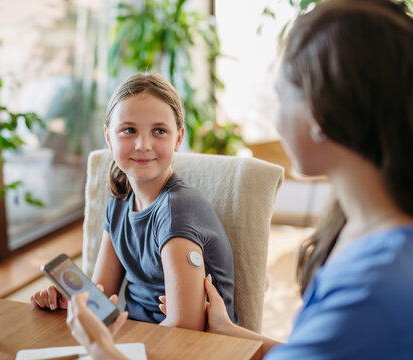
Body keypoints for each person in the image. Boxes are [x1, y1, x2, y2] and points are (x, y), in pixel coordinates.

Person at [64, 0, 413, 358]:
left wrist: (103, 351)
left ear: (325, 109)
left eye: (283, 96)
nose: (276, 121)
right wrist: (228, 331)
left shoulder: (376, 282)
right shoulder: (359, 232)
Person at [31, 72, 236, 330]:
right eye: (129, 130)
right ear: (108, 137)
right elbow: (103, 297)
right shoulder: (119, 202)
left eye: (159, 131)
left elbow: (186, 328)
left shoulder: (178, 211)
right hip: (140, 339)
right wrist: (75, 300)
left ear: (179, 138)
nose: (143, 144)